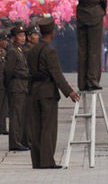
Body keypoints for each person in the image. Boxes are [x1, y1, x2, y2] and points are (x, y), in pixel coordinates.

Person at [28, 17, 79, 169]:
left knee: (35, 127)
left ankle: (37, 161)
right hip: (47, 92)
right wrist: (69, 92)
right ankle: (47, 161)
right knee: (48, 128)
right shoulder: (50, 51)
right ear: (52, 32)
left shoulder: (32, 50)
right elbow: (56, 74)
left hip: (33, 91)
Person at [4, 25, 30, 151]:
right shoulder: (12, 51)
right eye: (20, 36)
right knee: (16, 116)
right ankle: (15, 142)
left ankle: (20, 140)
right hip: (16, 86)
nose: (23, 38)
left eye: (24, 35)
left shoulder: (20, 50)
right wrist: (9, 85)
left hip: (22, 87)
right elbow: (8, 71)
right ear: (14, 38)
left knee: (21, 116)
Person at [0, 30, 9, 135]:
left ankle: (2, 127)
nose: (6, 42)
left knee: (4, 107)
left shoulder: (5, 52)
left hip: (4, 83)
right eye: (4, 40)